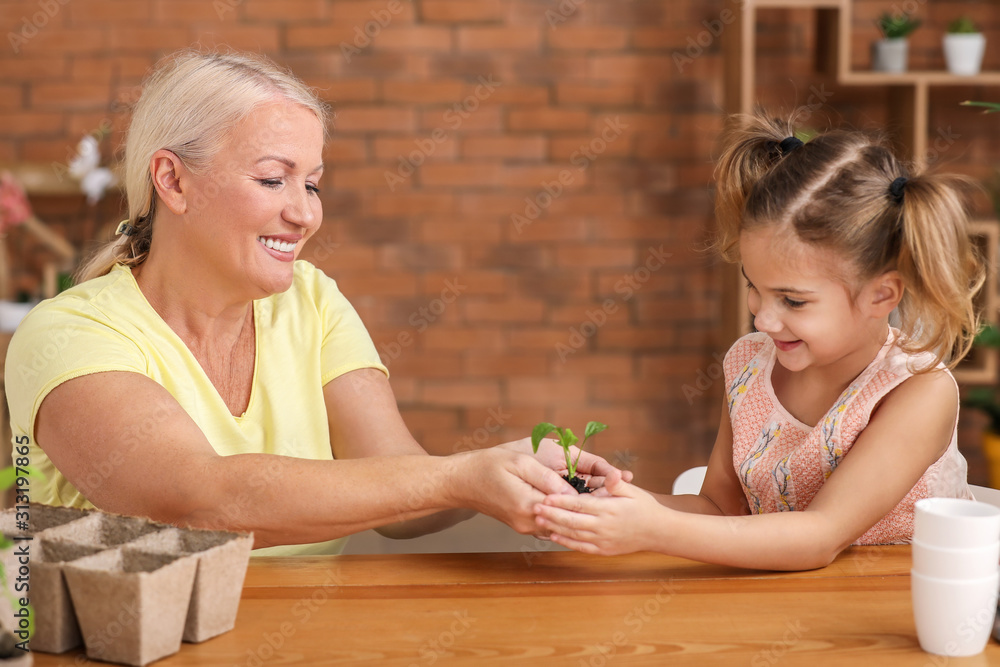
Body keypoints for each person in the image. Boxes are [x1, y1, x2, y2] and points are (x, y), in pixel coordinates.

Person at [5, 50, 627, 556]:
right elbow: (195, 500)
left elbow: (396, 485)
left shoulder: (312, 302)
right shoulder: (67, 332)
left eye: (313, 183)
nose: (303, 213)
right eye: (273, 179)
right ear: (172, 180)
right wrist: (462, 474)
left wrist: (516, 473)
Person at [535, 112, 982, 571]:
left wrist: (652, 528)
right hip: (777, 608)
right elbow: (721, 512)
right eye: (755, 287)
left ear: (881, 294)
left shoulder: (917, 390)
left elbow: (819, 536)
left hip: (889, 617)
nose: (763, 319)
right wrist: (615, 503)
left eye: (792, 300)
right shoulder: (749, 365)